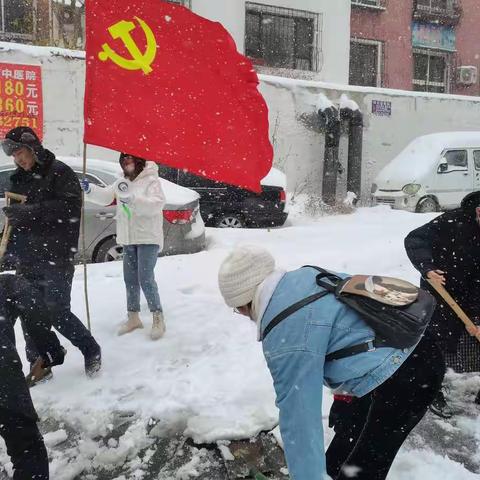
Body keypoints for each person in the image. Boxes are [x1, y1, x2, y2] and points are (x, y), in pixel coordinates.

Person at [218, 245, 444, 480]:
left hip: (410, 375)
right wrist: (345, 396)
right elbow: (347, 325)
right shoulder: (305, 277)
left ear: (244, 302)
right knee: (340, 453)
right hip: (407, 348)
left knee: (364, 466)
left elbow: (300, 421)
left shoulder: (286, 339)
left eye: (237, 309)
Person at [1, 126, 101, 377]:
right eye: (13, 155)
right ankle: (40, 362)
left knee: (55, 310)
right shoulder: (17, 179)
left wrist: (30, 211)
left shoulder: (59, 172)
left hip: (56, 255)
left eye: (20, 152)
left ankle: (91, 349)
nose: (18, 159)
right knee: (28, 310)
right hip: (27, 257)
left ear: (32, 147)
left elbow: (69, 208)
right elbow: (17, 222)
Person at [405, 191, 480, 417]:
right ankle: (430, 391)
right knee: (436, 345)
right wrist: (427, 267)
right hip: (443, 293)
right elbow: (415, 239)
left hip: (474, 294)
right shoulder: (451, 221)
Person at [81, 153, 166, 339]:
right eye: (123, 159)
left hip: (147, 237)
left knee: (145, 278)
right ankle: (133, 317)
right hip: (128, 238)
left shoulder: (151, 180)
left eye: (130, 158)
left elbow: (157, 205)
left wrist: (133, 200)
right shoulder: (122, 181)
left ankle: (158, 317)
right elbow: (105, 197)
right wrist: (89, 190)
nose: (127, 162)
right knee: (130, 279)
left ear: (139, 160)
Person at [0, 273, 66, 479]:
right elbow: (32, 305)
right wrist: (50, 350)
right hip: (3, 377)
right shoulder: (8, 285)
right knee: (27, 448)